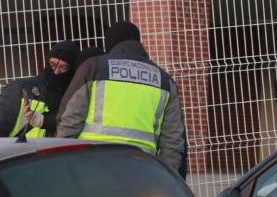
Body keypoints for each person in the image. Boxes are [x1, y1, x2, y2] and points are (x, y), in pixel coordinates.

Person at [57, 21, 187, 177]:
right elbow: (172, 142)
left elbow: (69, 119)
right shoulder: (164, 80)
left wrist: (65, 167)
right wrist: (163, 179)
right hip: (142, 171)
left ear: (110, 43)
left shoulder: (94, 67)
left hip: (92, 167)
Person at [0, 40, 79, 138]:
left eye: (63, 67)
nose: (56, 72)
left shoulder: (75, 95)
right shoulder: (20, 88)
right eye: (52, 65)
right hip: (20, 151)